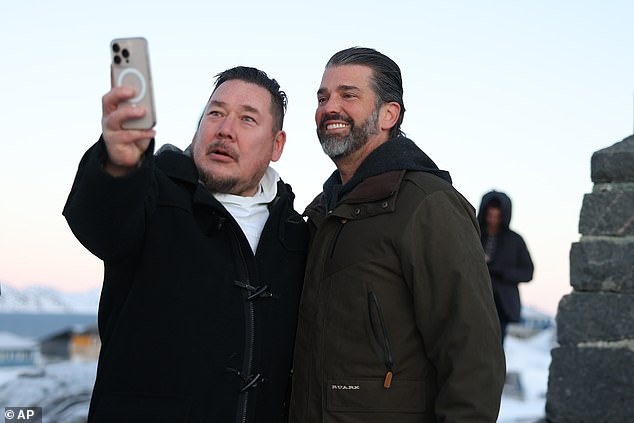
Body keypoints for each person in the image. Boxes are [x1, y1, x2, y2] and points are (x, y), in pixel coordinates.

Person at [63, 66, 308, 423]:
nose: (225, 129)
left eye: (247, 119)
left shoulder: (296, 235)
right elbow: (100, 223)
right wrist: (117, 161)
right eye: (216, 113)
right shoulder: (151, 194)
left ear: (277, 145)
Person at [288, 47, 506, 423]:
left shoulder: (428, 205)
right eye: (323, 98)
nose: (329, 107)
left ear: (390, 114)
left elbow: (473, 358)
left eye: (348, 95)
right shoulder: (323, 212)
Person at [477, 190, 534, 343]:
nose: (493, 220)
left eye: (497, 216)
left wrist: (502, 272)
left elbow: (528, 272)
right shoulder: (473, 234)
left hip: (501, 306)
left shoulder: (515, 241)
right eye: (490, 216)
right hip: (474, 299)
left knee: (495, 346)